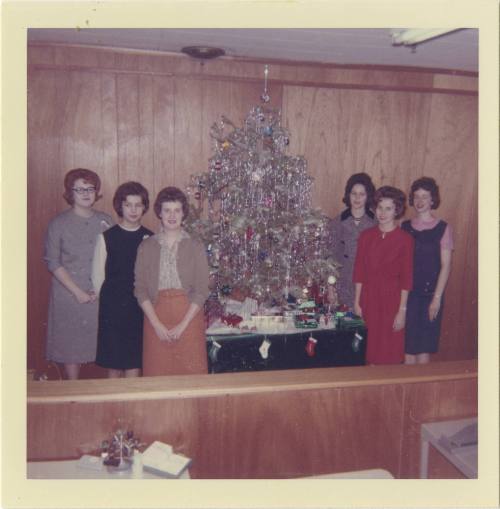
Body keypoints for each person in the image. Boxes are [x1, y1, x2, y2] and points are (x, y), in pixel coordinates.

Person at [44, 168, 113, 380]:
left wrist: (101, 289)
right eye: (80, 189)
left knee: (105, 345)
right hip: (69, 293)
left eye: (90, 188)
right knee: (70, 346)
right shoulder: (58, 223)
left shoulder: (106, 221)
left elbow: (114, 258)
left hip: (99, 293)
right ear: (70, 192)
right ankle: (72, 389)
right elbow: (53, 262)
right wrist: (78, 292)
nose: (85, 193)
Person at [134, 186, 210, 376]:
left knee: (191, 379)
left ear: (183, 213)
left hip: (189, 318)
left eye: (177, 210)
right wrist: (156, 325)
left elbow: (202, 290)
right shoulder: (146, 246)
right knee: (157, 377)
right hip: (156, 317)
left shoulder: (195, 246)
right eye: (167, 210)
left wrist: (183, 325)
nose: (172, 215)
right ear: (159, 213)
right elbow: (140, 289)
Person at [92, 182, 154, 378]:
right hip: (114, 307)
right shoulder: (106, 238)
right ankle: (113, 404)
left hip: (139, 307)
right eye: (128, 205)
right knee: (114, 362)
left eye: (138, 205)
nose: (133, 210)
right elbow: (97, 276)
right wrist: (110, 303)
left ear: (144, 207)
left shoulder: (151, 238)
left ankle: (131, 403)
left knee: (134, 360)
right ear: (120, 206)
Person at [353, 186, 414, 365]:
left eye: (388, 208)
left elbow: (406, 278)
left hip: (392, 301)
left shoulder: (405, 240)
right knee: (368, 351)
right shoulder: (366, 236)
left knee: (390, 352)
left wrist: (402, 311)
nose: (383, 212)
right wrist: (357, 302)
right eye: (380, 207)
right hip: (369, 299)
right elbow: (359, 272)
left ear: (397, 210)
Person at [401, 177, 453, 364]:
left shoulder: (443, 228)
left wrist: (436, 299)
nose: (420, 201)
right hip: (409, 296)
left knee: (424, 349)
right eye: (417, 196)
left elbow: (446, 265)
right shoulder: (405, 227)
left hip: (431, 296)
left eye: (425, 196)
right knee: (407, 349)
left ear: (433, 200)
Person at [328, 172, 376, 309]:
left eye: (362, 194)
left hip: (368, 284)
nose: (357, 198)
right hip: (343, 283)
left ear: (368, 197)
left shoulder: (376, 222)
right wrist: (331, 289)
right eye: (354, 193)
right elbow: (330, 259)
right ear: (348, 195)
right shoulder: (337, 222)